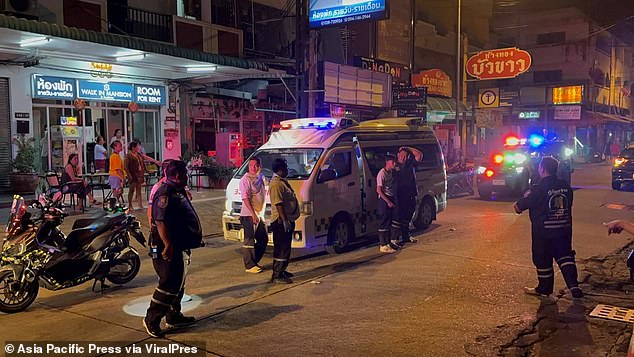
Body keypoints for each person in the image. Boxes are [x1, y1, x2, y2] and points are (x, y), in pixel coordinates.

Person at [144, 160, 202, 338]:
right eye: (185, 173)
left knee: (178, 282)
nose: (187, 175)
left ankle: (173, 316)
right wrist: (167, 244)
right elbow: (160, 220)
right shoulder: (165, 192)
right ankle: (151, 320)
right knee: (168, 283)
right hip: (164, 247)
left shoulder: (177, 191)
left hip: (179, 245)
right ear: (177, 175)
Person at [514, 157, 582, 299]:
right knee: (565, 256)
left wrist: (519, 205)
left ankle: (544, 289)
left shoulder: (539, 188)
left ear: (543, 169)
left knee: (542, 259)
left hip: (543, 231)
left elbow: (522, 205)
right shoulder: (565, 187)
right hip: (564, 229)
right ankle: (573, 285)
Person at [269, 158, 300, 284]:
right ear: (280, 170)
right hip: (280, 221)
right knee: (281, 248)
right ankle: (277, 274)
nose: (287, 171)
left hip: (287, 219)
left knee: (286, 247)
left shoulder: (282, 182)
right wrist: (285, 220)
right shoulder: (276, 184)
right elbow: (279, 204)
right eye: (286, 168)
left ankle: (282, 270)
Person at [239, 157, 268, 274]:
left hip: (259, 214)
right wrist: (253, 214)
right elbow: (245, 198)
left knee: (263, 238)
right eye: (251, 165)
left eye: (255, 165)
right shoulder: (244, 180)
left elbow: (267, 185)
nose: (253, 168)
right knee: (249, 240)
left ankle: (254, 261)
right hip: (249, 215)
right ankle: (249, 265)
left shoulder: (260, 177)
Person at [395, 146, 423, 245]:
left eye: (406, 155)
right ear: (398, 155)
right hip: (400, 195)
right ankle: (399, 237)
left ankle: (406, 236)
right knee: (400, 217)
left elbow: (419, 154)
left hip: (411, 194)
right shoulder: (395, 165)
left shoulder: (410, 164)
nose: (403, 157)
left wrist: (407, 148)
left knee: (409, 215)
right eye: (402, 155)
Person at [376, 154, 399, 253]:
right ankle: (383, 244)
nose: (395, 164)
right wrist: (388, 201)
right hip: (384, 200)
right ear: (387, 162)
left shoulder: (391, 172)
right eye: (392, 162)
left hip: (390, 197)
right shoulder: (382, 173)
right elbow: (378, 190)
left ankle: (388, 242)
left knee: (390, 221)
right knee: (384, 222)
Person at [125, 142, 145, 210]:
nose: (138, 148)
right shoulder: (128, 155)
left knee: (139, 189)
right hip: (132, 174)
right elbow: (126, 166)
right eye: (137, 146)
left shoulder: (138, 155)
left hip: (139, 174)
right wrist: (129, 175)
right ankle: (130, 205)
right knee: (131, 190)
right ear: (133, 147)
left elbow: (142, 163)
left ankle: (140, 204)